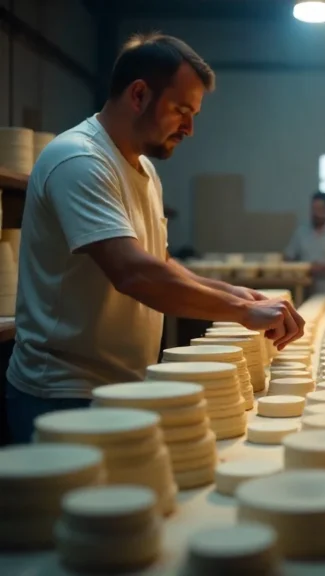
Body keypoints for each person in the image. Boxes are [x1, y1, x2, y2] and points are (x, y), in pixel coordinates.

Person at [5, 33, 304, 443]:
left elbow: (159, 261)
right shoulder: (79, 160)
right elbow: (132, 273)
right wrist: (239, 310)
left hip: (122, 388)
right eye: (182, 110)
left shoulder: (143, 169)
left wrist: (236, 292)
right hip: (63, 394)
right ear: (140, 94)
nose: (191, 128)